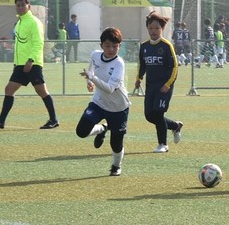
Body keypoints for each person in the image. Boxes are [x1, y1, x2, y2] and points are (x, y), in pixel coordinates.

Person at [0, 0, 59, 130]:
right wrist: (17, 63)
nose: (20, 7)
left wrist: (31, 60)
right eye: (18, 5)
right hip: (20, 65)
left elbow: (38, 43)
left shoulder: (34, 22)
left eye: (22, 5)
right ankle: (0, 121)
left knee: (41, 91)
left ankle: (54, 120)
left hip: (32, 63)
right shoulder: (19, 23)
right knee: (9, 89)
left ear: (28, 6)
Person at [77, 27, 130, 176]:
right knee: (81, 131)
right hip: (99, 102)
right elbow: (91, 70)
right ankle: (101, 129)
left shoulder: (119, 63)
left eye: (115, 46)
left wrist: (92, 78)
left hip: (119, 107)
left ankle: (116, 165)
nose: (111, 49)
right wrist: (89, 81)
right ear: (101, 45)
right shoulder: (95, 55)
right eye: (108, 45)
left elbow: (110, 88)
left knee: (116, 144)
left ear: (119, 46)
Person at [135, 11, 182, 153]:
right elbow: (142, 64)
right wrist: (138, 79)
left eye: (157, 28)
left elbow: (174, 67)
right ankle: (175, 126)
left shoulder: (167, 46)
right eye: (151, 28)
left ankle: (163, 144)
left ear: (162, 29)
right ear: (147, 29)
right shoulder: (144, 47)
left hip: (164, 87)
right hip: (150, 86)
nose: (153, 31)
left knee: (158, 113)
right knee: (149, 115)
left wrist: (168, 84)